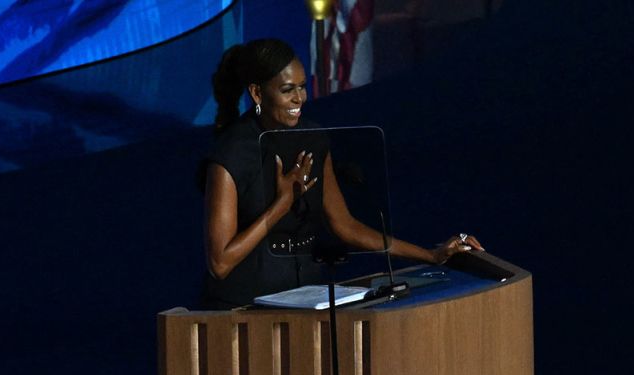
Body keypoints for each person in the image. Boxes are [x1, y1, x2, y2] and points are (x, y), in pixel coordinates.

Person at [200, 38, 484, 309]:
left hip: (305, 305)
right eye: (287, 90)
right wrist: (280, 205)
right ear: (257, 93)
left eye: (302, 86)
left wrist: (432, 256)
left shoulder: (313, 139)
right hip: (242, 311)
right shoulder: (232, 154)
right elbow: (220, 263)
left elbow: (345, 226)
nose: (299, 98)